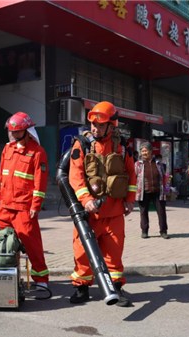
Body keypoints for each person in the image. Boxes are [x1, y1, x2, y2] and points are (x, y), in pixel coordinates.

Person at [67, 101, 137, 307]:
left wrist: (130, 200)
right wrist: (86, 200)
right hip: (89, 213)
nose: (95, 128)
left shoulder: (122, 147)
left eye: (100, 125)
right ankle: (81, 287)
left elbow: (131, 174)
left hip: (114, 212)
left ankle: (115, 287)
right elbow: (75, 175)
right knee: (82, 252)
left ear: (111, 125)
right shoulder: (82, 144)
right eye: (93, 124)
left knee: (114, 253)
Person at [0, 112, 49, 288]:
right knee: (1, 245)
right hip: (5, 207)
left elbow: (40, 182)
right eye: (12, 131)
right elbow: (2, 177)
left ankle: (41, 280)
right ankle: (6, 279)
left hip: (24, 208)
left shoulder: (37, 152)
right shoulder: (7, 149)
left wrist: (36, 206)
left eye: (17, 132)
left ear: (27, 131)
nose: (13, 135)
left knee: (32, 245)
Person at [135, 142, 169, 239]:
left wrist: (167, 188)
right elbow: (134, 177)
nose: (144, 153)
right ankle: (144, 231)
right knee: (143, 212)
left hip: (158, 192)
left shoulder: (159, 164)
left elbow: (164, 176)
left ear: (151, 151)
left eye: (146, 151)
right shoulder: (138, 164)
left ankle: (163, 231)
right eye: (142, 151)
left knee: (161, 212)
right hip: (143, 192)